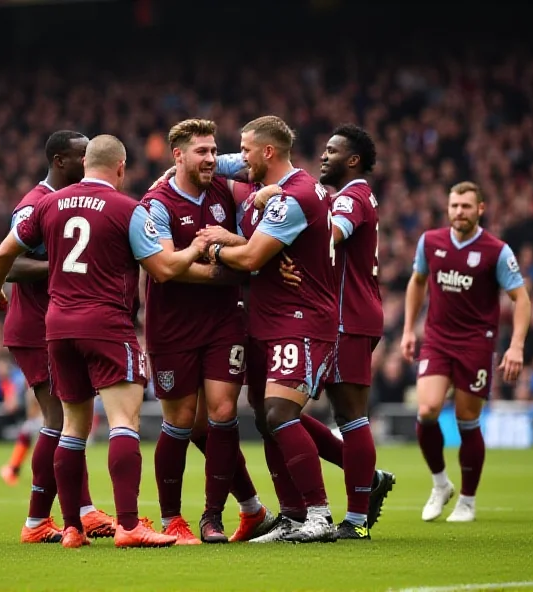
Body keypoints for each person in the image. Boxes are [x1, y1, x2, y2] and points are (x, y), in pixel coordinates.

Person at [0, 134, 204, 549]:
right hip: (105, 324)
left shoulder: (47, 204)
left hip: (57, 327)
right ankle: (128, 525)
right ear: (120, 168)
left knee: (71, 426)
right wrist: (197, 247)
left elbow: (3, 254)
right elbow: (163, 268)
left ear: (86, 165)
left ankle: (71, 528)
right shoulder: (128, 209)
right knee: (124, 421)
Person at [204, 115, 338, 543]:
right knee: (265, 417)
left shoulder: (292, 199)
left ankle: (320, 516)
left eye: (244, 150)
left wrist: (216, 244)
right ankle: (293, 516)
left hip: (299, 320)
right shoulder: (278, 190)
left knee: (280, 412)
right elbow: (226, 166)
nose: (237, 159)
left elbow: (249, 260)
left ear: (268, 152)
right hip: (271, 317)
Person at [141, 119, 274, 544]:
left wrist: (268, 197)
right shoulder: (156, 204)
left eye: (215, 151)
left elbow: (260, 162)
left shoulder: (224, 185)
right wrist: (226, 270)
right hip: (172, 326)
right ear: (177, 155)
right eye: (201, 152)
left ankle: (213, 517)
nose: (211, 159)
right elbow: (165, 269)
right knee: (181, 421)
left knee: (222, 412)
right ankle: (171, 519)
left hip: (223, 322)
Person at [0, 130, 114, 543]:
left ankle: (82, 510)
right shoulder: (34, 204)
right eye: (83, 156)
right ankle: (35, 521)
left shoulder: (70, 202)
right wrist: (60, 266)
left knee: (73, 419)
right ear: (61, 160)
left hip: (57, 323)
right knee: (59, 419)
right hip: (35, 326)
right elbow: (10, 264)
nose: (90, 162)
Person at [401, 181, 531, 523]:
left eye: (466, 206)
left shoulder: (496, 251)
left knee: (466, 420)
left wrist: (516, 345)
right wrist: (407, 330)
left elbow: (521, 298)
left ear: (480, 209)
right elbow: (416, 281)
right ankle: (441, 484)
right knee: (427, 409)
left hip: (476, 343)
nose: (459, 212)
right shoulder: (430, 242)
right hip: (437, 339)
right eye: (455, 205)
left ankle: (468, 501)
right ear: (448, 208)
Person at [312, 124, 395, 539]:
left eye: (331, 150)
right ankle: (370, 476)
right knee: (279, 409)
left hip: (348, 317)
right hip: (338, 316)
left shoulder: (353, 196)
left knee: (349, 416)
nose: (322, 156)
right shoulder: (345, 195)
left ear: (353, 160)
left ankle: (357, 520)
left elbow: (332, 232)